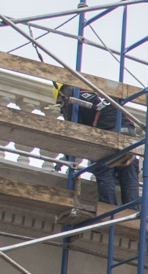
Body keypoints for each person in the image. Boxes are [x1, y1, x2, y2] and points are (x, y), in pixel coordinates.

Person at [55, 80, 136, 208]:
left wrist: (66, 157)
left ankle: (109, 210)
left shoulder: (71, 98)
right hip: (129, 132)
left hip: (108, 133)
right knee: (128, 171)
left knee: (102, 167)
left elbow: (74, 133)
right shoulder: (98, 94)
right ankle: (132, 210)